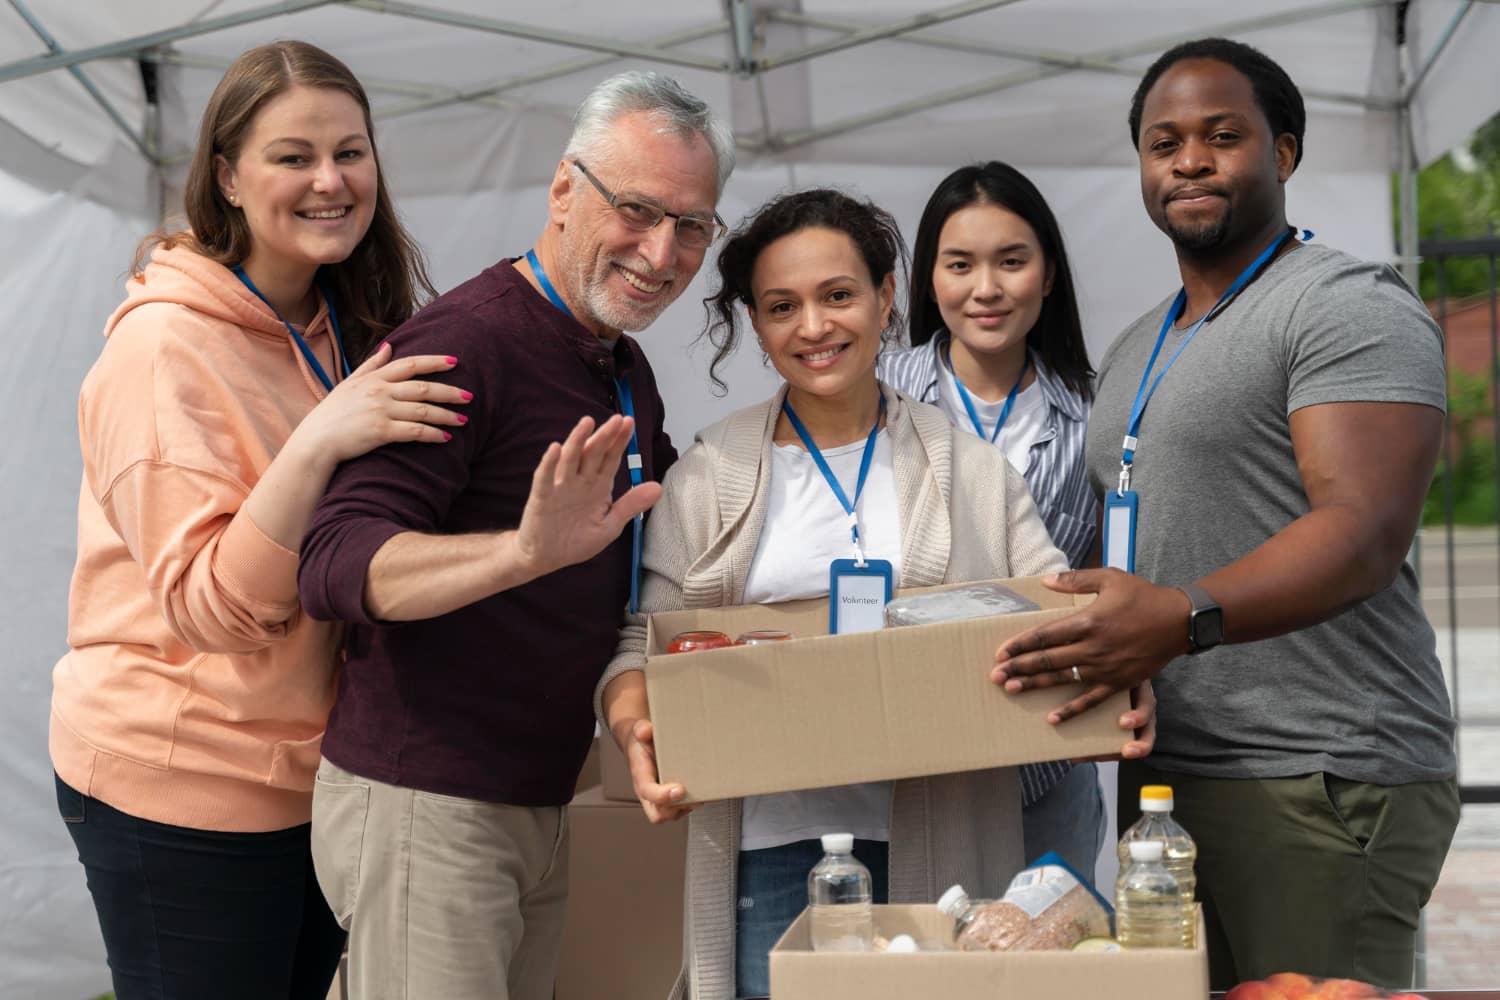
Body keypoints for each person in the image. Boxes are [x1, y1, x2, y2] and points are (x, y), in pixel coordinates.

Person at [595, 188, 1156, 1000]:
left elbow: (1060, 614)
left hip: (942, 846)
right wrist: (635, 722)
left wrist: (1112, 684)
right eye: (782, 306)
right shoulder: (712, 475)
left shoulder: (971, 471)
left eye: (838, 296)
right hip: (767, 846)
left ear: (887, 296)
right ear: (756, 322)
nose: (814, 327)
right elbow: (638, 640)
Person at [991, 37, 1459, 990]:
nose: (1189, 161)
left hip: (1318, 771)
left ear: (1283, 153)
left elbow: (1363, 532)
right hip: (1172, 777)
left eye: (1222, 136)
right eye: (1163, 144)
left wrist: (1180, 618)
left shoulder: (1343, 305)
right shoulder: (1135, 345)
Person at [296, 71, 734, 999]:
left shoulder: (619, 359)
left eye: (692, 225)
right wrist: (520, 553)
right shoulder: (466, 344)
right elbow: (334, 563)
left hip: (535, 797)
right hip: (428, 803)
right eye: (639, 210)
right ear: (565, 189)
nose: (662, 252)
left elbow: (665, 515)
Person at [49, 41, 464, 1000]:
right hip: (181, 780)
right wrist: (321, 437)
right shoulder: (161, 349)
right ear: (228, 177)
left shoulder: (339, 318)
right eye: (293, 156)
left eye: (350, 152)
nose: (331, 180)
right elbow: (212, 609)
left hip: (311, 777)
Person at [878, 161, 1105, 878]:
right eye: (960, 264)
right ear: (929, 279)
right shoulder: (872, 398)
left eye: (1011, 261)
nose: (986, 288)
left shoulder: (1098, 415)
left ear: (1049, 274)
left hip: (1048, 745)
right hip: (906, 743)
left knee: (1048, 967)